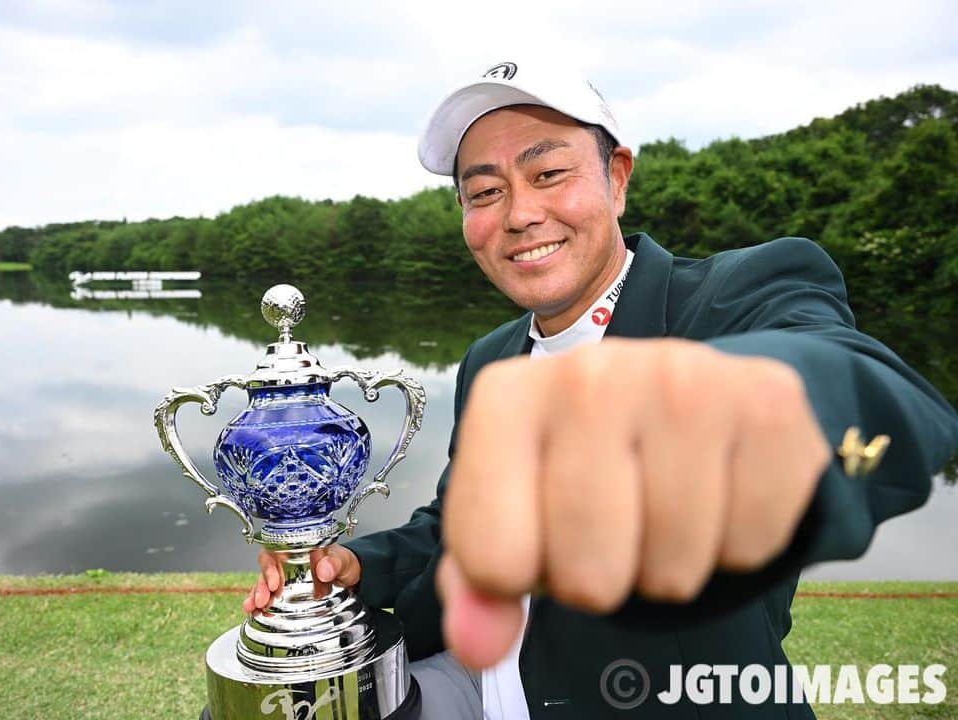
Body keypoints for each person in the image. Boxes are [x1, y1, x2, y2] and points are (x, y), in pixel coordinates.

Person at [243, 61, 958, 718]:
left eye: (548, 172)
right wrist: (360, 564)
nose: (519, 213)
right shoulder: (492, 358)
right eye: (486, 191)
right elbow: (457, 526)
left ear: (617, 176)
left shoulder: (737, 295)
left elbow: (879, 410)